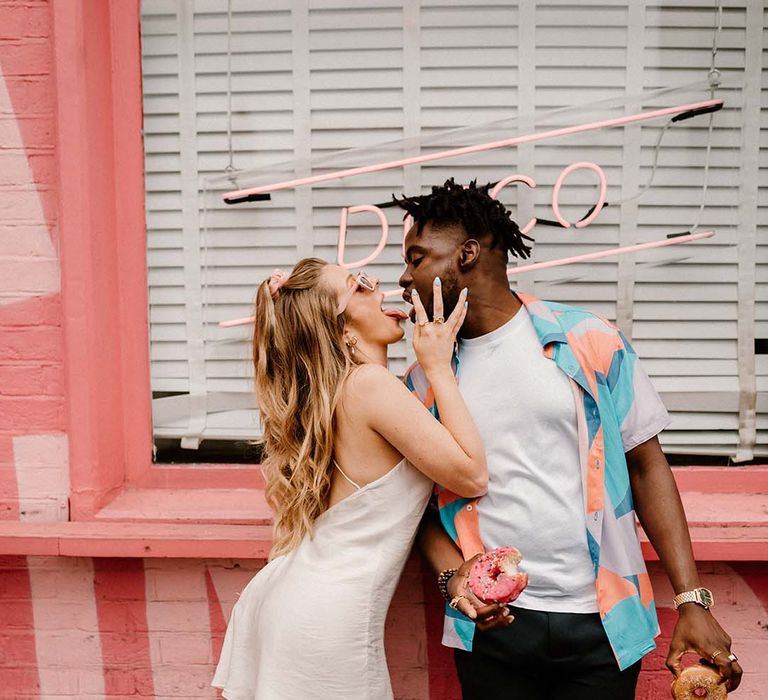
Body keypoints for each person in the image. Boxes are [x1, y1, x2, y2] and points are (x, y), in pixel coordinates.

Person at [395, 179, 743, 699]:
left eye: (417, 258)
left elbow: (648, 468)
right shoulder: (424, 381)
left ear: (467, 254)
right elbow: (417, 508)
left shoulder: (587, 340)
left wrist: (691, 598)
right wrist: (456, 580)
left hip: (601, 622)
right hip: (493, 630)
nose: (404, 277)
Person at [212, 257, 489, 700]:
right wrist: (437, 365)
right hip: (329, 619)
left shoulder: (346, 390)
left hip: (297, 601)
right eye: (358, 285)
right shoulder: (369, 386)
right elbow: (472, 474)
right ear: (339, 327)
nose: (378, 287)